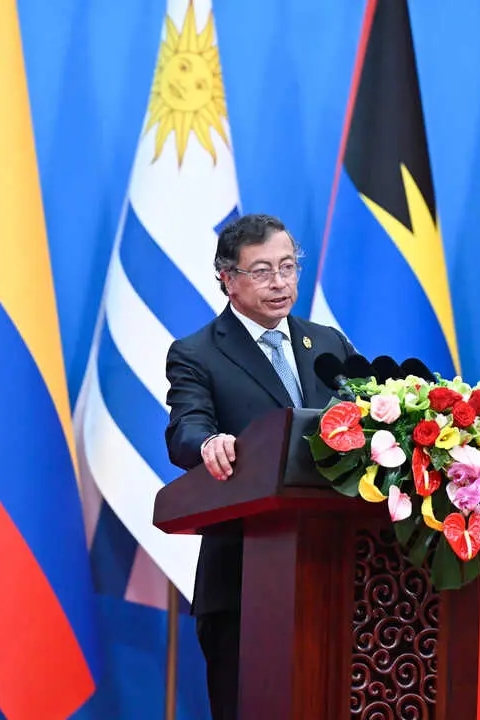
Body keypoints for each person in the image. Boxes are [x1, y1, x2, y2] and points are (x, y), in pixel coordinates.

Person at [164, 213, 355, 720]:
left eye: (288, 267)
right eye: (262, 270)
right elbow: (186, 429)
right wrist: (209, 444)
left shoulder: (329, 345)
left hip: (342, 577)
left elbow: (367, 424)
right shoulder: (197, 353)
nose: (280, 283)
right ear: (227, 279)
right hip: (245, 581)